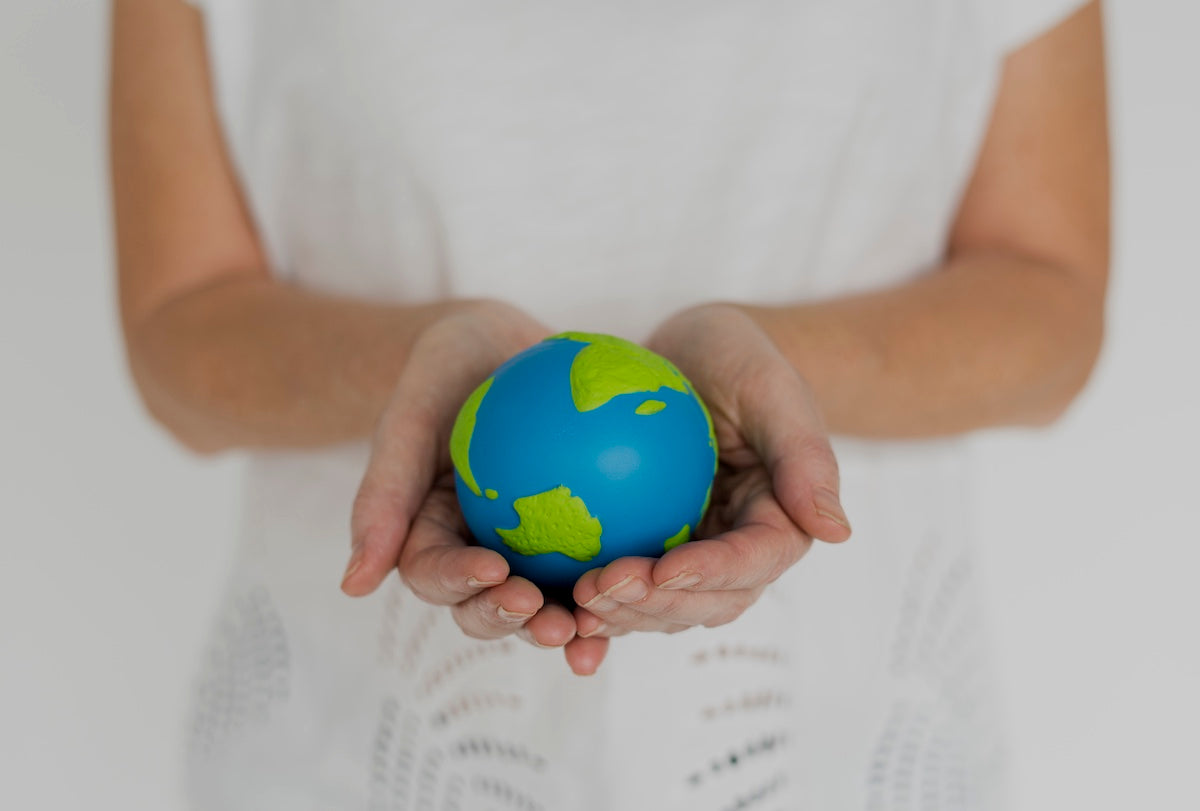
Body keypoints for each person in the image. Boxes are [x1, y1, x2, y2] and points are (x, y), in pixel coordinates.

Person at [110, 0, 1109, 808]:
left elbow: (1049, 313)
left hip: (838, 748)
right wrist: (426, 364)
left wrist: (768, 373)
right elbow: (176, 336)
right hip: (351, 747)